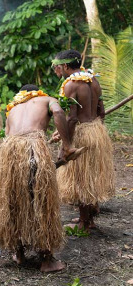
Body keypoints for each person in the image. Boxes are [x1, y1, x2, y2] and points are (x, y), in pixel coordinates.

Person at [0, 84, 80, 272]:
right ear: (36, 92)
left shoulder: (13, 108)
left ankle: (19, 252)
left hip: (10, 153)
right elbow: (58, 112)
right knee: (41, 200)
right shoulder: (47, 99)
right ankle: (47, 260)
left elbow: (7, 135)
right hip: (33, 148)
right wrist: (66, 145)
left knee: (14, 201)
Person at [51, 49, 115, 231]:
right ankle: (90, 219)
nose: (57, 71)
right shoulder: (93, 79)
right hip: (96, 130)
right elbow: (101, 112)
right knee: (90, 173)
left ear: (64, 66)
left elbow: (70, 118)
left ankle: (83, 222)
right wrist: (96, 130)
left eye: (57, 67)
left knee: (80, 177)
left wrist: (66, 143)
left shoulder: (70, 85)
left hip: (81, 133)